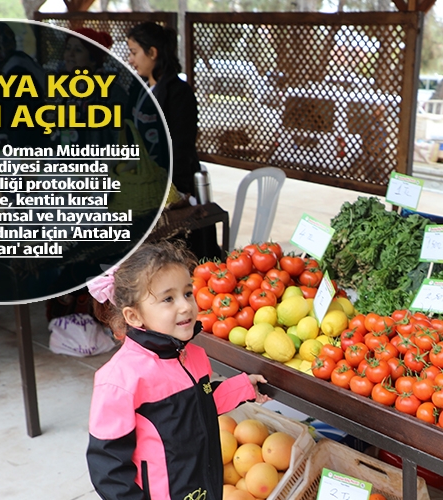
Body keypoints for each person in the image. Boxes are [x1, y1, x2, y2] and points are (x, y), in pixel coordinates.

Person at [85, 241, 267, 500]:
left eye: (188, 293)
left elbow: (198, 406)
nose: (185, 306)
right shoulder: (120, 380)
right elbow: (107, 466)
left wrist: (243, 387)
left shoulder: (192, 355)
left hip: (205, 487)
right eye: (168, 298)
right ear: (134, 316)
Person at [125, 22, 222, 260]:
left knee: (176, 253)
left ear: (153, 53)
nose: (130, 59)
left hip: (173, 186)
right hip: (143, 185)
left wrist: (175, 192)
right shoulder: (138, 89)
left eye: (134, 52)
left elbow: (181, 145)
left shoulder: (178, 92)